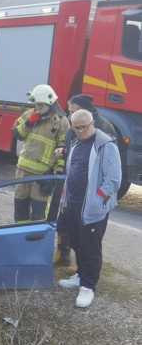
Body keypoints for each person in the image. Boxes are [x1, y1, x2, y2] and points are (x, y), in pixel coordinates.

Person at [57, 109, 121, 308]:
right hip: (74, 204)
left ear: (92, 123)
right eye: (76, 128)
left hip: (92, 208)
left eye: (83, 127)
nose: (80, 131)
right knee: (76, 241)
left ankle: (88, 286)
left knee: (91, 247)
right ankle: (80, 275)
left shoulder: (106, 145)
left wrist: (98, 198)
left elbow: (113, 179)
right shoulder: (76, 143)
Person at [51, 93, 118, 265]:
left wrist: (98, 197)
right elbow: (79, 152)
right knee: (67, 226)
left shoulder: (103, 129)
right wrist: (65, 152)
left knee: (90, 239)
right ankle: (67, 257)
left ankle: (87, 279)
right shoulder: (76, 126)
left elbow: (110, 170)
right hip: (73, 190)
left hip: (91, 196)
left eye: (72, 110)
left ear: (83, 111)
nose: (69, 114)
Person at [12, 84, 69, 222]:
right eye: (36, 105)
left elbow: (63, 149)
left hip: (42, 175)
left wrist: (56, 174)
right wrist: (28, 123)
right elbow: (17, 134)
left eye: (41, 106)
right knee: (20, 209)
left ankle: (36, 240)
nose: (37, 108)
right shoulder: (29, 114)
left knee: (38, 214)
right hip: (22, 172)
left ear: (51, 103)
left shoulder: (61, 122)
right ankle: (20, 236)